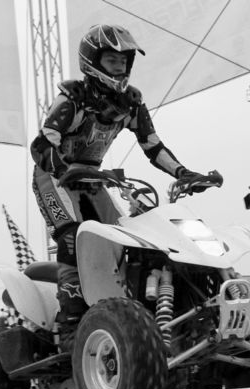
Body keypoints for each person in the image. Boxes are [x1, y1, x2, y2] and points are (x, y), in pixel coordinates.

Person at [30, 24, 208, 351]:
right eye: (112, 60)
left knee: (125, 239)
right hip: (54, 177)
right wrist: (64, 170)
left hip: (94, 180)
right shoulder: (73, 98)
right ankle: (70, 326)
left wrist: (183, 173)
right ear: (92, 61)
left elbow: (152, 144)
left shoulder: (131, 103)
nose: (120, 67)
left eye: (124, 61)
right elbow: (41, 145)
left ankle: (125, 314)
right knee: (73, 239)